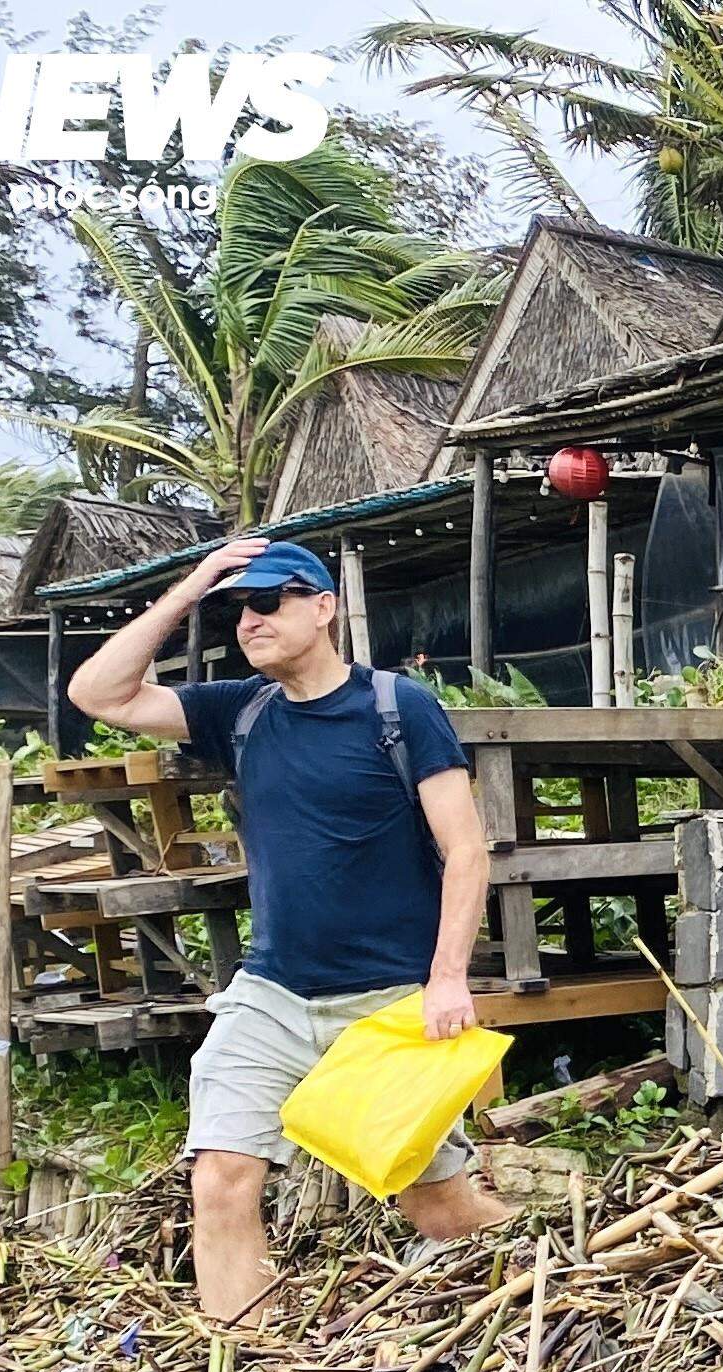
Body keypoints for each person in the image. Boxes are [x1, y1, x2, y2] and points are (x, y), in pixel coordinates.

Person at [67, 536, 514, 1327]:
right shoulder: (238, 710)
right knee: (221, 1177)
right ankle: (247, 1368)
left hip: (384, 1006)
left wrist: (447, 978)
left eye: (270, 601)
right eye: (240, 607)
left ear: (324, 607)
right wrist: (193, 581)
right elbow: (98, 693)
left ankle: (557, 1270)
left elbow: (466, 848)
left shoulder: (396, 707)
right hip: (271, 994)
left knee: (439, 1211)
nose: (251, 619)